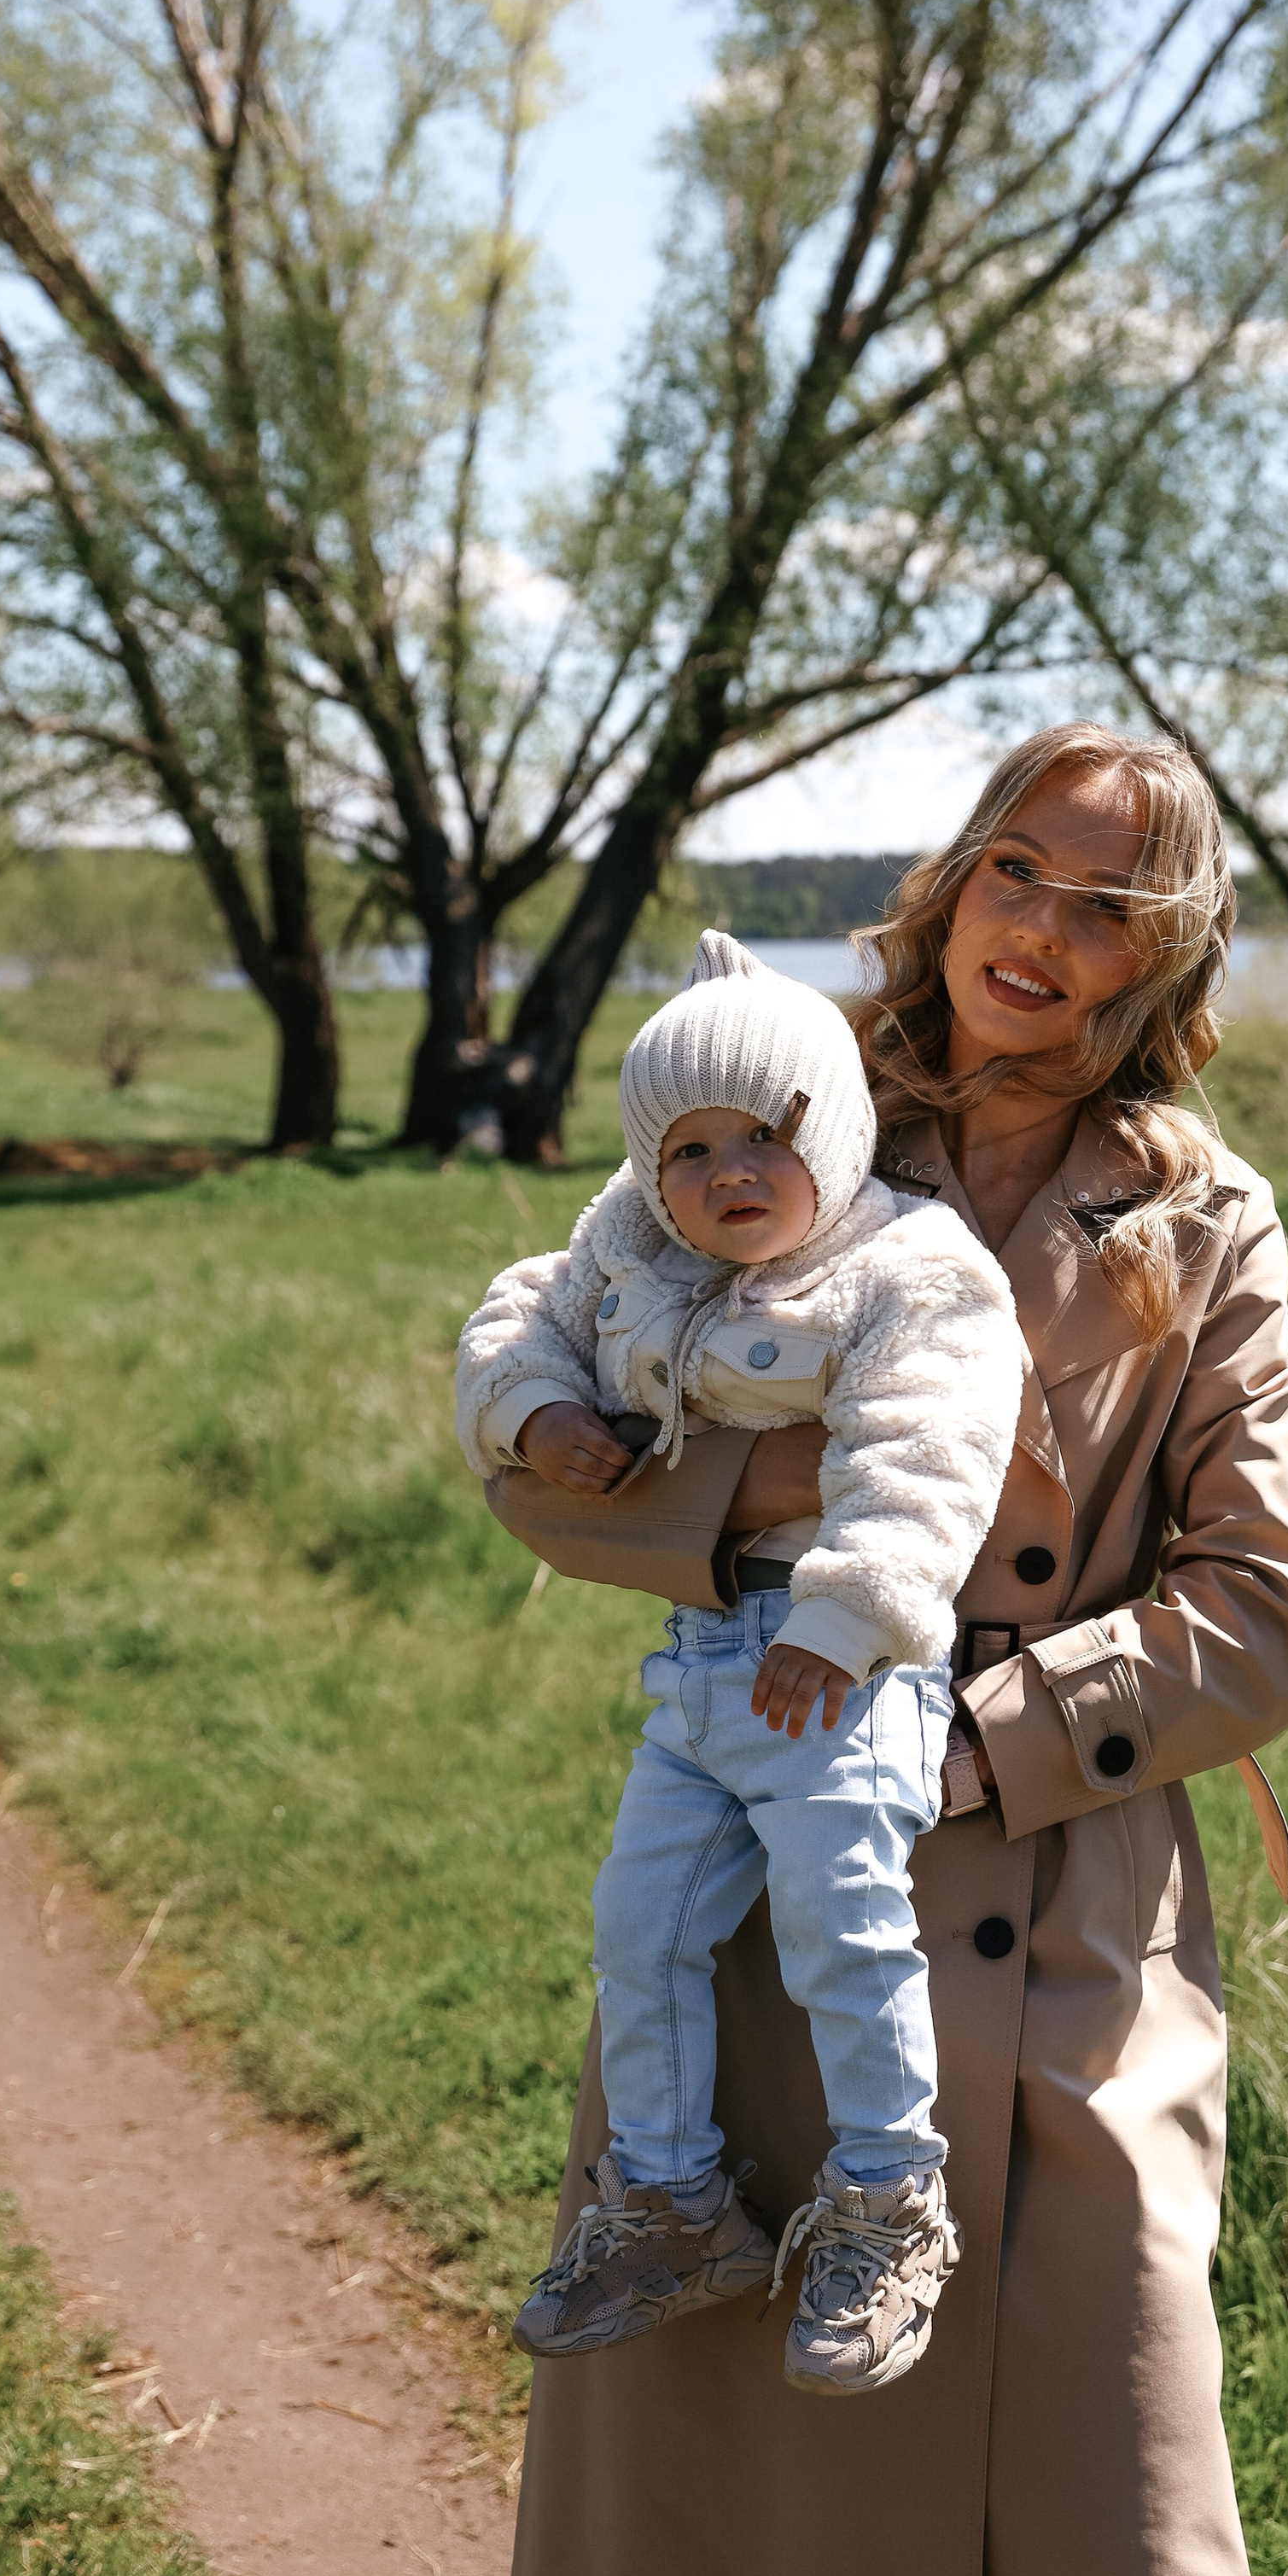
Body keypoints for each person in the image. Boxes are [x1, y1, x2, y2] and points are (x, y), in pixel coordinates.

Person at [479, 725, 1288, 2576]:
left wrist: (969, 1745)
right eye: (1017, 871)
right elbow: (544, 1446)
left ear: (1167, 957)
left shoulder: (1206, 1223)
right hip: (774, 1888)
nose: (1040, 932)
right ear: (954, 878)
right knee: (733, 2540)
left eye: (1107, 907)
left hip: (1056, 1933)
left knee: (1117, 2538)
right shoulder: (771, 1115)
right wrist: (765, 1514)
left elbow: (1268, 1609)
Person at [458, 931, 1022, 2392]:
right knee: (639, 1928)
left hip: (846, 1662)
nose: (730, 1174)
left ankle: (894, 2198)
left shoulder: (909, 1266)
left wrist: (842, 1623)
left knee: (845, 1922)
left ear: (829, 1130)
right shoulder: (639, 1250)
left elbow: (931, 1461)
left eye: (766, 1137)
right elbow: (518, 1313)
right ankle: (667, 2198)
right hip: (703, 1667)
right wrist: (529, 1412)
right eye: (690, 1150)